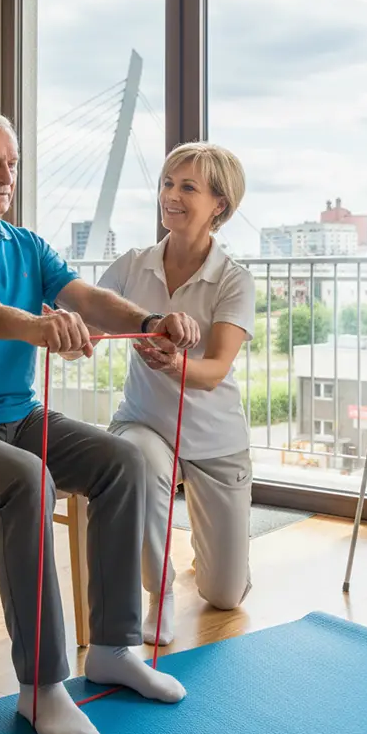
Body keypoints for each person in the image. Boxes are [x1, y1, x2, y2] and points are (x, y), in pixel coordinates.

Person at [0, 109, 202, 734]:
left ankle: (113, 648)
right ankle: (42, 686)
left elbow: (86, 298)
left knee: (123, 461)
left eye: (12, 163)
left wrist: (150, 320)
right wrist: (34, 325)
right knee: (28, 481)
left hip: (18, 416)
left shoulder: (26, 244)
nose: (6, 176)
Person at [98, 142, 257, 646]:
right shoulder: (131, 265)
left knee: (225, 595)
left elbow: (215, 370)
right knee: (138, 460)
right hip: (145, 423)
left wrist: (176, 364)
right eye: (168, 183)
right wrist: (69, 328)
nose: (171, 195)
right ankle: (158, 592)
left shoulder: (233, 279)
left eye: (188, 187)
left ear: (219, 205)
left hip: (216, 439)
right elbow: (90, 320)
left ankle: (217, 562)